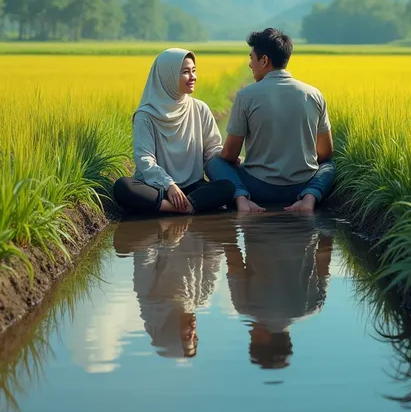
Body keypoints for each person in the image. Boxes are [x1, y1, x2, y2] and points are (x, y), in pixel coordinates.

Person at [206, 28, 336, 213]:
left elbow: (229, 155)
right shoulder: (314, 94)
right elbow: (325, 152)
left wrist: (239, 160)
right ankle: (310, 198)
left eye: (252, 58)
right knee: (330, 165)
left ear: (264, 60)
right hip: (300, 186)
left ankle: (242, 198)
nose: (250, 64)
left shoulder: (245, 96)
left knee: (214, 162)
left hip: (259, 189)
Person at [113, 48, 235, 216]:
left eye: (194, 71)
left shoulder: (200, 108)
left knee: (227, 186)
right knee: (123, 187)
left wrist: (229, 155)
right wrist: (169, 185)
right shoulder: (146, 115)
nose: (193, 77)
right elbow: (144, 160)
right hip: (158, 188)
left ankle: (178, 207)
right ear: (167, 76)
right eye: (185, 72)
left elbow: (212, 150)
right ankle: (186, 207)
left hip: (192, 186)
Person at [223, 213, 334, 369]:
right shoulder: (245, 307)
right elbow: (233, 260)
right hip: (256, 222)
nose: (250, 334)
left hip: (304, 223)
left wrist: (327, 224)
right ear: (263, 338)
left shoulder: (313, 307)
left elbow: (324, 257)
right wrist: (225, 229)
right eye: (252, 339)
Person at [113, 216, 224, 359]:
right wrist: (200, 225)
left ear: (171, 333)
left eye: (187, 337)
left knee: (129, 193)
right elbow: (215, 251)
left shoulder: (149, 294)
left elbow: (144, 250)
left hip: (163, 215)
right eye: (195, 337)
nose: (193, 332)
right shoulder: (203, 295)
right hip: (199, 213)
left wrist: (170, 240)